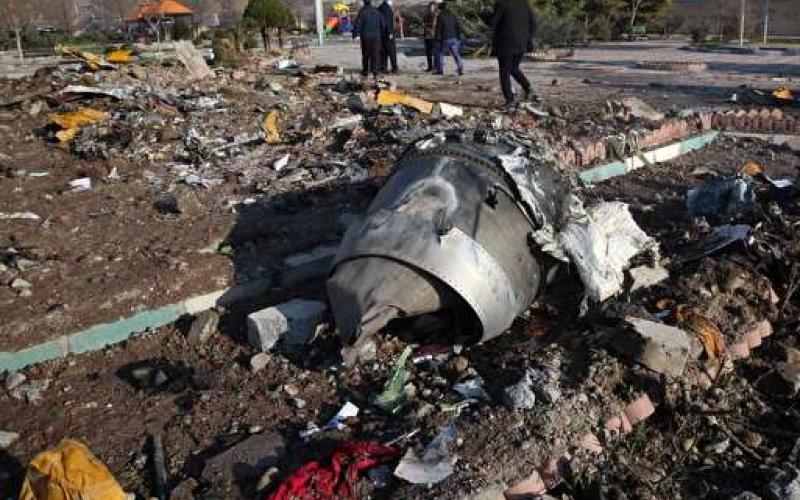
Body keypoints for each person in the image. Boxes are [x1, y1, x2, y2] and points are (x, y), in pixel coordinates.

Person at [491, 0, 537, 110]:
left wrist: (483, 14)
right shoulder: (523, 4)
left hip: (505, 44)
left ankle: (510, 100)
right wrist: (526, 37)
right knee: (513, 68)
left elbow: (493, 22)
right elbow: (534, 25)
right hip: (521, 44)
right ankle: (528, 88)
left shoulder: (502, 3)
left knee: (504, 72)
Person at [354, 0, 385, 79]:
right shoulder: (377, 12)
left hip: (365, 37)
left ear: (364, 2)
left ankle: (365, 72)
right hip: (376, 37)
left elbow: (357, 24)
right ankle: (376, 73)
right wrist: (381, 34)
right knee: (375, 55)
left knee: (365, 55)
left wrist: (356, 35)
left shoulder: (362, 12)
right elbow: (382, 24)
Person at [433, 0, 463, 76]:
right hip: (454, 37)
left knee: (440, 54)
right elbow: (458, 26)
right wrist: (458, 36)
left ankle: (440, 70)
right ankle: (460, 68)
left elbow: (438, 28)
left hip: (445, 38)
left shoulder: (440, 16)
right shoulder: (453, 15)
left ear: (440, 8)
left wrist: (437, 38)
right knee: (456, 54)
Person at [378, 0, 399, 73]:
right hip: (388, 33)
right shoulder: (386, 8)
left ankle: (383, 67)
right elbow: (387, 22)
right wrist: (390, 32)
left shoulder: (380, 8)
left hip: (382, 33)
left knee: (383, 51)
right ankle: (394, 68)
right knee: (391, 51)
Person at [422, 2, 438, 72]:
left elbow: (433, 25)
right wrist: (426, 26)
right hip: (427, 36)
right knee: (428, 52)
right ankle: (430, 67)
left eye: (432, 7)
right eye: (430, 7)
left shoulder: (436, 15)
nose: (431, 8)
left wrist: (426, 26)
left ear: (435, 7)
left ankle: (435, 66)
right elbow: (423, 24)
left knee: (435, 52)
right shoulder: (426, 15)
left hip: (433, 36)